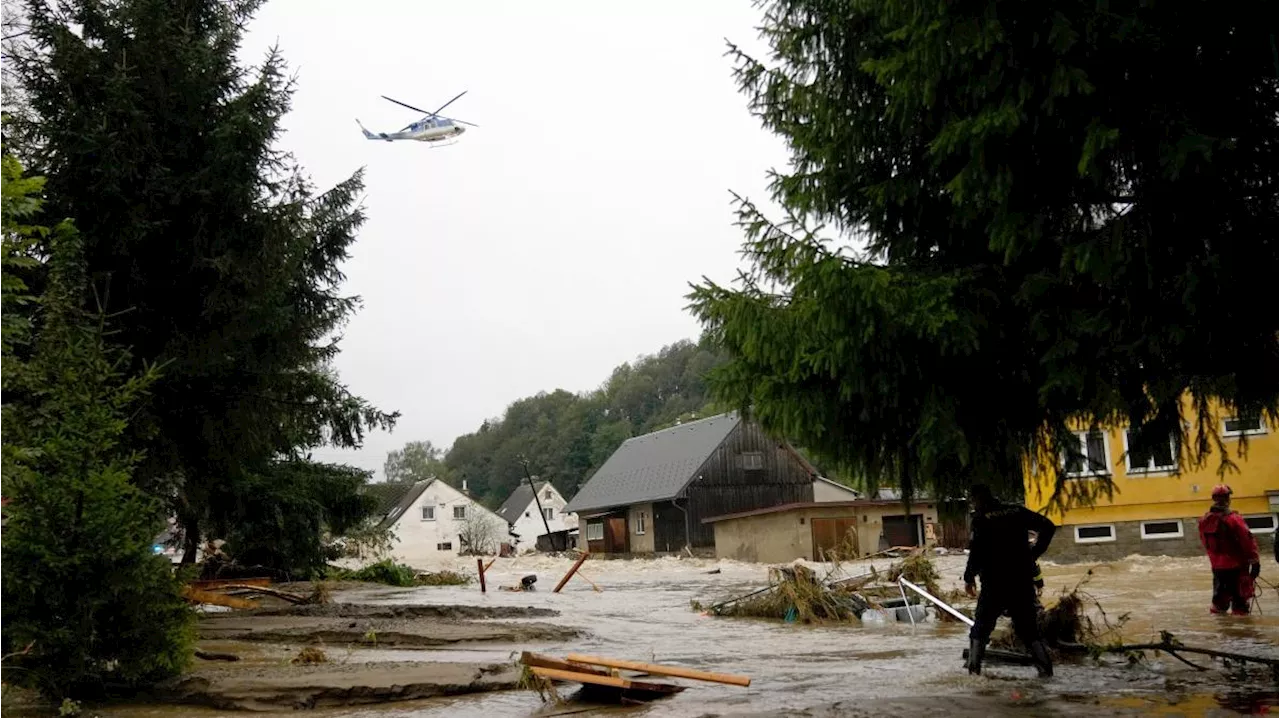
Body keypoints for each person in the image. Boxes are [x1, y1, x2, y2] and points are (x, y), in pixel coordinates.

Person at [963, 484, 1057, 678]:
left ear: (977, 500)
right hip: (1021, 581)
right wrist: (1034, 553)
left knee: (981, 628)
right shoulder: (1017, 511)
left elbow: (976, 552)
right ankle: (1046, 672)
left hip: (994, 583)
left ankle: (973, 673)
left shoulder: (981, 519)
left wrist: (968, 577)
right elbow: (1048, 526)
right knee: (1028, 629)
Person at [1197, 484, 1260, 616]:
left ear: (1213, 499)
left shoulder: (1204, 520)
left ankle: (1223, 633)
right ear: (1228, 499)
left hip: (1217, 568)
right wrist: (1255, 561)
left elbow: (1205, 543)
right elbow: (1247, 540)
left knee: (1219, 604)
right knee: (1240, 604)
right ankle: (1241, 634)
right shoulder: (1234, 519)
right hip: (1237, 567)